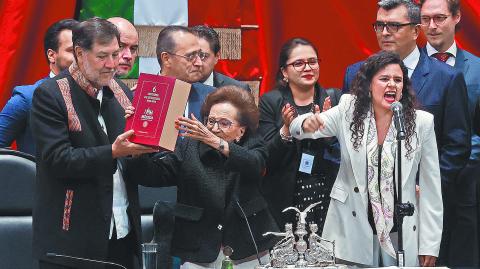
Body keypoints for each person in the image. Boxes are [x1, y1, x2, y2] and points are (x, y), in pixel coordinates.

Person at [341, 1, 470, 265]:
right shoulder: (356, 73)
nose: (385, 32)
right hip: (363, 206)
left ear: (416, 30)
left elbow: (457, 144)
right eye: (380, 25)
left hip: (418, 207)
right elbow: (343, 135)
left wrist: (424, 186)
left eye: (394, 26)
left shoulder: (446, 78)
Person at [291, 51, 443, 267]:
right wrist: (306, 122)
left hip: (399, 232)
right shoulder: (348, 109)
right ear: (369, 85)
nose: (392, 85)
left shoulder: (422, 123)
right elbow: (300, 127)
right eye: (384, 79)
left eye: (398, 80)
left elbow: (431, 187)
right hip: (349, 228)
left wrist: (429, 243)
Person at [31, 17, 157, 269]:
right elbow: (58, 160)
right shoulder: (50, 93)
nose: (112, 64)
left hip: (121, 229)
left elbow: (132, 160)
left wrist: (146, 147)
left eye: (115, 53)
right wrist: (112, 152)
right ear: (79, 53)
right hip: (71, 240)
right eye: (102, 56)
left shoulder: (120, 91)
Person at [125, 86, 279, 269]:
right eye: (211, 121)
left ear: (241, 131)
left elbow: (255, 164)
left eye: (224, 123)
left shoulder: (254, 145)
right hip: (197, 246)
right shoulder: (190, 146)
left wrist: (214, 141)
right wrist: (137, 145)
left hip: (247, 245)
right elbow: (152, 175)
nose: (214, 128)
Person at [258, 38, 341, 230]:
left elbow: (344, 151)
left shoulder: (333, 98)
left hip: (326, 193)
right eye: (298, 63)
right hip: (284, 194)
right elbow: (265, 157)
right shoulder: (271, 102)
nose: (307, 68)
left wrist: (326, 133)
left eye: (312, 61)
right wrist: (286, 131)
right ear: (284, 72)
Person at [420, 0, 480, 264]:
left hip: (467, 180)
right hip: (418, 184)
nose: (431, 26)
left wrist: (460, 160)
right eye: (425, 19)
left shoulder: (477, 68)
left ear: (456, 17)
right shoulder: (404, 70)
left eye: (439, 18)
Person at [0, 19, 78, 154]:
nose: (80, 57)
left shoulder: (99, 95)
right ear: (52, 55)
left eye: (83, 50)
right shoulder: (27, 97)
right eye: (72, 50)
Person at [156, 25, 215, 121]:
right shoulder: (138, 96)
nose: (199, 63)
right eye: (191, 56)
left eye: (200, 55)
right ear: (166, 59)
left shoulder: (212, 97)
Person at [191, 25, 252, 92]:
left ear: (216, 57)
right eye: (191, 55)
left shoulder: (237, 90)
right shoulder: (178, 86)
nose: (196, 62)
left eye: (203, 56)